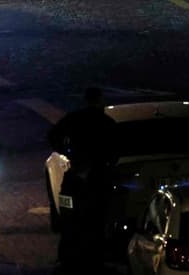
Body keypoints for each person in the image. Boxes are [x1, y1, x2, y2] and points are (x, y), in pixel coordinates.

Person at [47, 87, 118, 273]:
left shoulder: (74, 119)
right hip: (98, 178)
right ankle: (94, 259)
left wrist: (67, 152)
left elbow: (53, 136)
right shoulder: (107, 123)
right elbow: (116, 150)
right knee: (96, 220)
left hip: (75, 175)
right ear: (100, 100)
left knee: (69, 217)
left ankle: (68, 258)